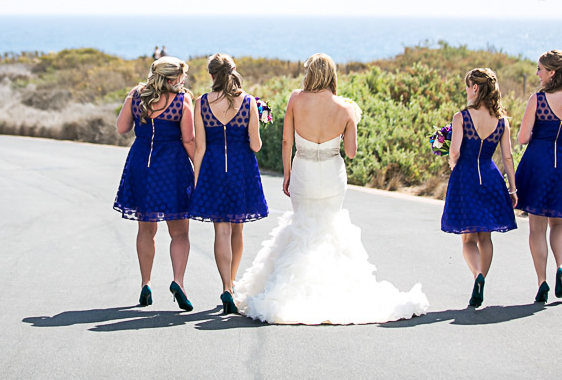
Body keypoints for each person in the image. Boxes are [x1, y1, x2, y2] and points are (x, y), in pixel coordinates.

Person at [234, 53, 428, 324]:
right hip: (332, 177)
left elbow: (287, 141)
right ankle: (333, 289)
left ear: (309, 73)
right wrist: (351, 122)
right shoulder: (345, 108)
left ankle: (293, 291)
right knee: (328, 228)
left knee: (303, 226)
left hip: (303, 173)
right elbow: (350, 152)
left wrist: (287, 173)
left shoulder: (295, 99)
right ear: (333, 75)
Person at [113, 56, 196, 311]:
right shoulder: (182, 100)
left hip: (142, 165)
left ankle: (145, 284)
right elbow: (189, 140)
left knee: (146, 230)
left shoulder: (137, 95)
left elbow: (121, 128)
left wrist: (133, 104)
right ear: (173, 78)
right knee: (179, 232)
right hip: (173, 167)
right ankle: (178, 282)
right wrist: (200, 170)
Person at [189, 54, 268, 314]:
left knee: (220, 231)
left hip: (212, 169)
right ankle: (231, 285)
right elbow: (255, 145)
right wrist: (259, 119)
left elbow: (199, 147)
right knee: (238, 231)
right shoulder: (248, 102)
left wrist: (198, 180)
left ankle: (225, 285)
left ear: (211, 75)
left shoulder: (201, 102)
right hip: (240, 170)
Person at [515, 50, 562, 303]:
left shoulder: (537, 100)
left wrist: (540, 138)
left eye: (540, 69)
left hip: (539, 163)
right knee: (560, 223)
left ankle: (542, 282)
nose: (537, 74)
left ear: (552, 72)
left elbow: (523, 138)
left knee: (537, 228)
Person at [440, 68, 518, 307]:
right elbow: (507, 158)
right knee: (486, 237)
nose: (466, 90)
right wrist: (512, 189)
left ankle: (478, 276)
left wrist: (453, 163)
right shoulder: (502, 121)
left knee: (467, 240)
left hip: (466, 178)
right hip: (491, 177)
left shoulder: (461, 117)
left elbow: (454, 151)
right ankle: (483, 276)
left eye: (467, 86)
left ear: (475, 87)